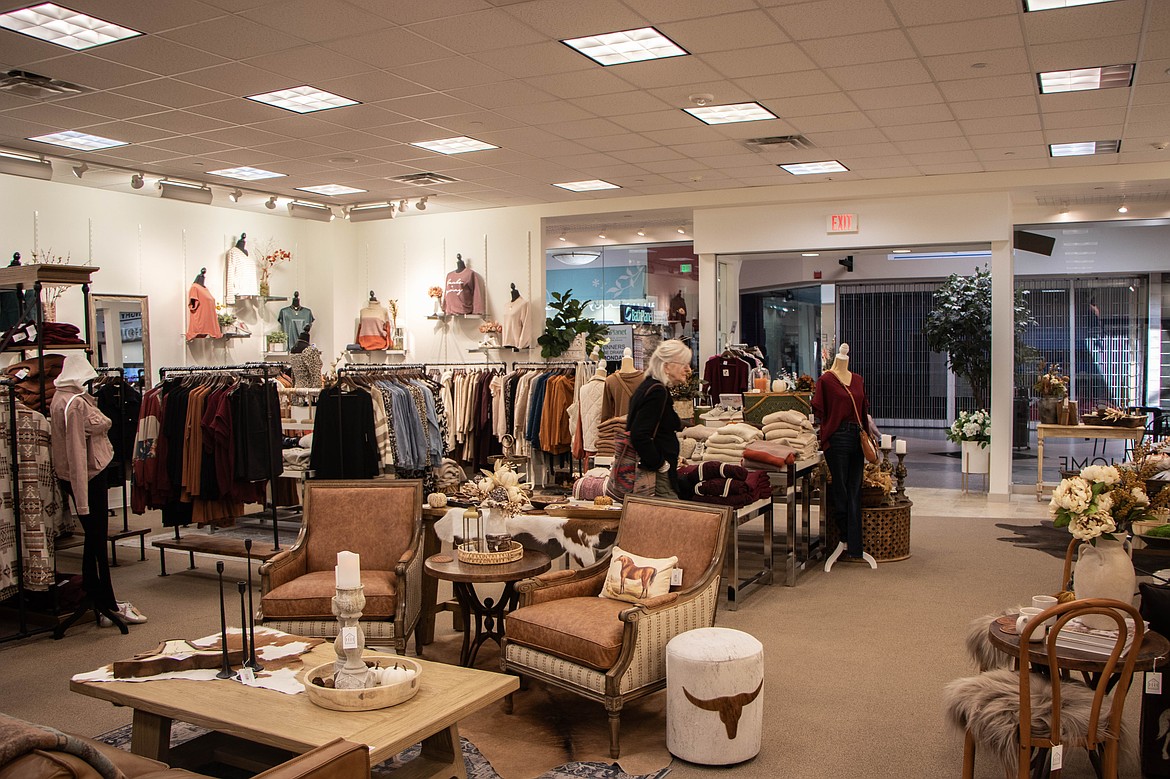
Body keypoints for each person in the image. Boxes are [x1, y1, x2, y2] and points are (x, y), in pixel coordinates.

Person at [50, 354, 147, 626]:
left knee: (95, 543)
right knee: (96, 541)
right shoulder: (75, 404)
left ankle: (100, 598)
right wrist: (81, 501)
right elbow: (76, 452)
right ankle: (106, 602)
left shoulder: (61, 398)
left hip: (85, 475)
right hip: (90, 477)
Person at [812, 343, 871, 562]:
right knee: (841, 488)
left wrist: (871, 434)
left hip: (857, 436)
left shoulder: (857, 380)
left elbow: (863, 411)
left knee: (855, 488)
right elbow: (820, 411)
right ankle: (846, 537)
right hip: (837, 437)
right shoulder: (826, 380)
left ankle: (854, 544)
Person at [627, 339, 692, 499]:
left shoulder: (649, 386)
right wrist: (661, 465)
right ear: (667, 366)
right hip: (655, 475)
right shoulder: (657, 392)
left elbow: (666, 422)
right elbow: (639, 434)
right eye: (683, 364)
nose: (688, 369)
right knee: (671, 519)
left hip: (656, 471)